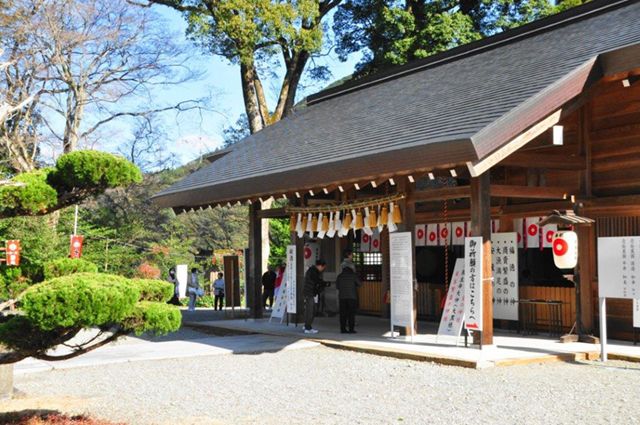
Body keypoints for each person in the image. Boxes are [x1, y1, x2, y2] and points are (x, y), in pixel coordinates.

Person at [303, 259, 327, 334]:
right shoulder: (313, 271)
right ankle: (308, 328)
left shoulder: (312, 270)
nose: (323, 269)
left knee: (312, 309)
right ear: (320, 266)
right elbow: (316, 281)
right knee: (310, 310)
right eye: (323, 268)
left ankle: (306, 325)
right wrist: (323, 283)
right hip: (309, 292)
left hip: (311, 292)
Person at [336, 262, 361, 334]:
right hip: (352, 297)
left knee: (343, 314)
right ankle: (351, 329)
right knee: (351, 314)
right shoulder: (353, 275)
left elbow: (337, 287)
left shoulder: (339, 276)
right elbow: (359, 284)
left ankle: (343, 329)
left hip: (342, 297)